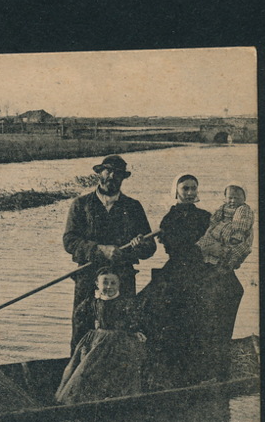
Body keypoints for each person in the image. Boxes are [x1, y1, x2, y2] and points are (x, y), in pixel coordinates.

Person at [63, 155, 155, 352]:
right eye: (108, 171)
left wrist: (139, 244)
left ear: (123, 178)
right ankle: (77, 375)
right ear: (99, 173)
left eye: (118, 174)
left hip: (122, 278)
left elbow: (150, 248)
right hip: (88, 277)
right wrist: (99, 250)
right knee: (82, 330)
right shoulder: (81, 205)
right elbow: (69, 241)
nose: (112, 176)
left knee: (123, 332)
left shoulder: (133, 207)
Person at [137, 175, 218, 389]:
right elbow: (174, 247)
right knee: (150, 308)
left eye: (193, 189)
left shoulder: (207, 217)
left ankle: (198, 372)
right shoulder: (169, 219)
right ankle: (162, 370)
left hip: (200, 270)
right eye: (185, 189)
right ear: (176, 191)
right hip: (178, 269)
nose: (190, 193)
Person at [55, 268, 146, 404]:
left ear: (119, 284)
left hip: (119, 342)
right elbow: (80, 318)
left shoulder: (126, 303)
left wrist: (136, 332)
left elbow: (133, 320)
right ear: (97, 284)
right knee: (87, 369)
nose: (109, 287)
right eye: (105, 283)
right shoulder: (92, 303)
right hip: (97, 341)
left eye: (113, 283)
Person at [196, 184, 254, 379]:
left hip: (230, 241)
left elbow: (241, 231)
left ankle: (217, 367)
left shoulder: (243, 211)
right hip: (215, 250)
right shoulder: (220, 211)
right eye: (229, 197)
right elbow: (212, 224)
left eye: (236, 198)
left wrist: (231, 245)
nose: (232, 200)